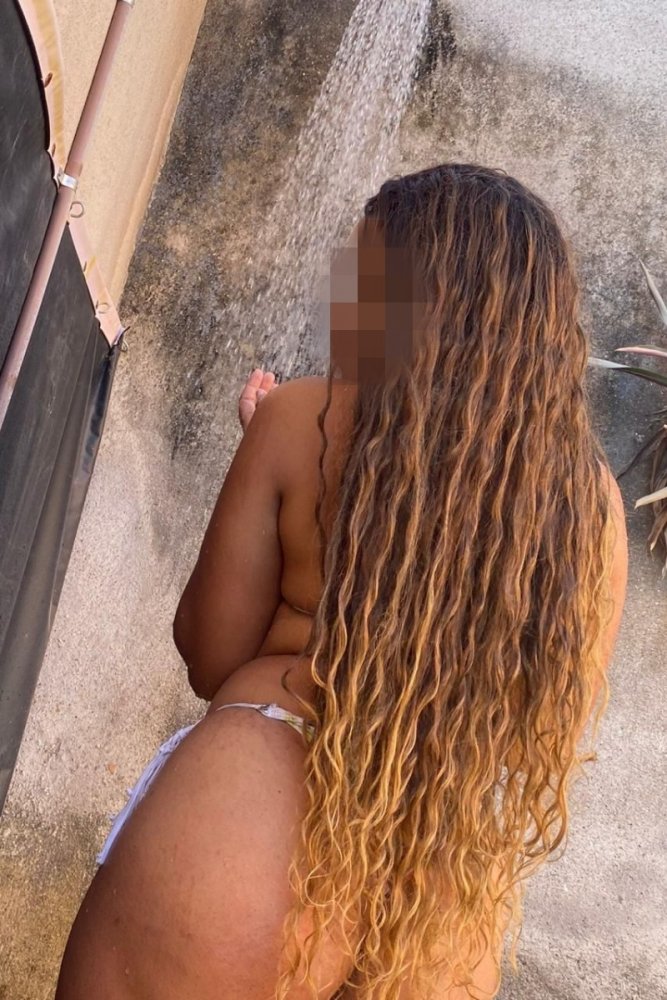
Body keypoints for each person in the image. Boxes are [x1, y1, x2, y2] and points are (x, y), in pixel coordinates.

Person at [55, 163, 627, 1000]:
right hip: (433, 884)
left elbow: (211, 657)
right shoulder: (593, 514)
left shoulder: (303, 418)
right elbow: (538, 726)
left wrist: (267, 451)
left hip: (245, 824)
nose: (343, 310)